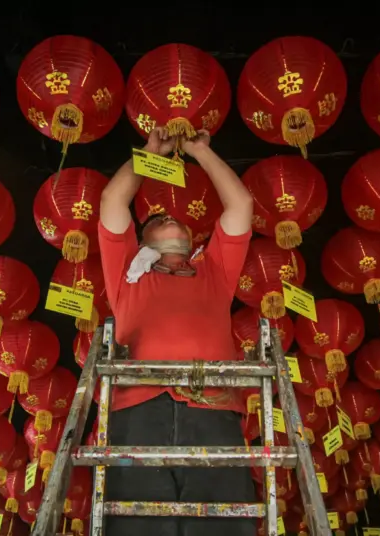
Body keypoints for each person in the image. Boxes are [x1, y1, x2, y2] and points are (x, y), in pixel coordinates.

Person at [98, 126, 255, 536]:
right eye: (154, 218)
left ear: (191, 238)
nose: (167, 216)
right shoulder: (127, 275)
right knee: (139, 527)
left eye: (174, 218)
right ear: (140, 241)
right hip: (137, 412)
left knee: (221, 526)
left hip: (214, 410)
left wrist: (200, 151)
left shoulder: (214, 270)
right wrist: (149, 152)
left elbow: (240, 204)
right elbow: (113, 200)